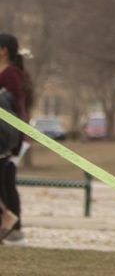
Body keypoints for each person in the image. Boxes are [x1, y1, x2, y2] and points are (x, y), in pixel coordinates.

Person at [0, 33, 34, 244]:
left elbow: (16, 107)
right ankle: (9, 225)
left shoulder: (11, 74)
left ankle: (13, 226)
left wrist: (17, 137)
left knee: (7, 182)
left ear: (4, 50)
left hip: (8, 137)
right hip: (5, 136)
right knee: (4, 182)